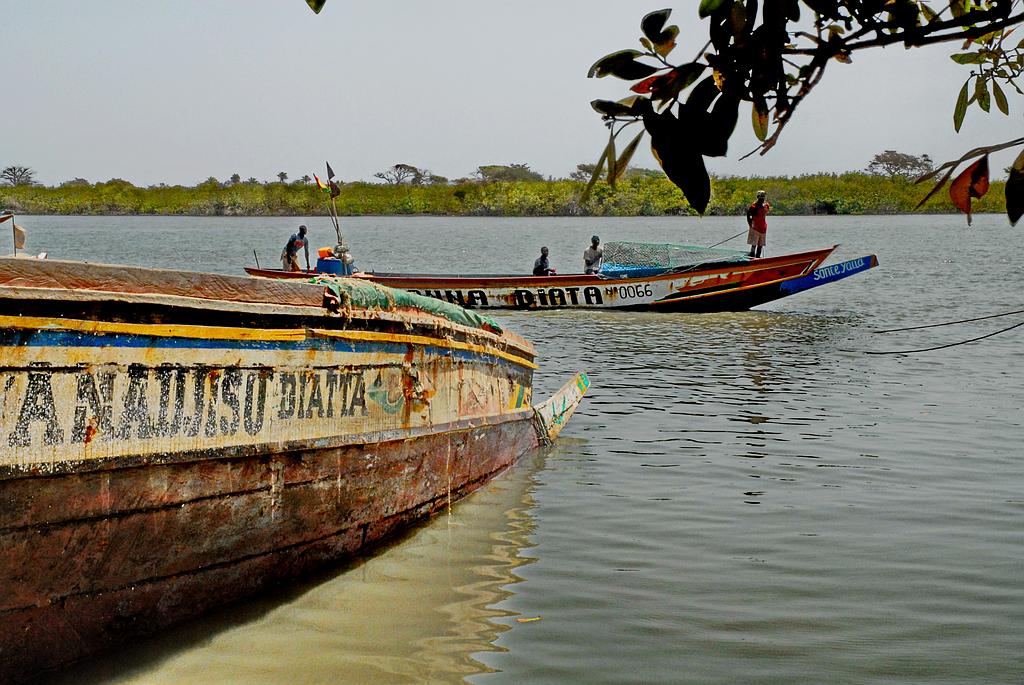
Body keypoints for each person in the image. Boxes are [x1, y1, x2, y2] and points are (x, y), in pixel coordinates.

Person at [746, 190, 770, 258]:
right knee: (754, 246)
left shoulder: (766, 205)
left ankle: (758, 259)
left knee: (760, 246)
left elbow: (764, 214)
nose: (762, 198)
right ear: (757, 197)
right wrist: (750, 225)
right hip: (755, 228)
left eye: (763, 196)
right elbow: (748, 215)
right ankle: (752, 258)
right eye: (761, 196)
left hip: (763, 229)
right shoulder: (754, 206)